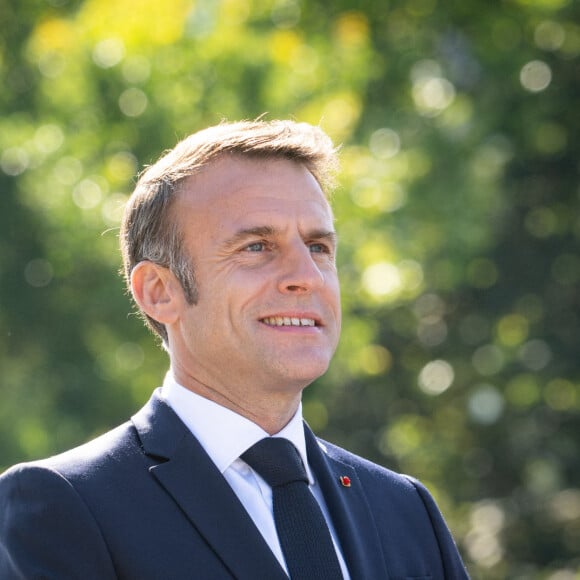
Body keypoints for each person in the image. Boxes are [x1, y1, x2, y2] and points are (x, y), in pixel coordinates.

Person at [0, 119, 469, 579]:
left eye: (319, 247)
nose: (306, 276)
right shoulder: (64, 505)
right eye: (257, 247)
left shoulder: (405, 510)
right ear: (159, 291)